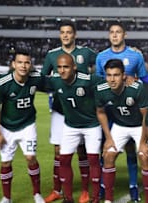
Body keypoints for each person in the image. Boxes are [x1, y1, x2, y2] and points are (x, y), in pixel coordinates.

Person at [95, 21, 148, 202]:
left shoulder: (135, 55)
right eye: (111, 32)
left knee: (136, 152)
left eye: (118, 32)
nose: (115, 35)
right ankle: (103, 189)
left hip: (134, 111)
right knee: (107, 152)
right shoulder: (101, 57)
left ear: (124, 35)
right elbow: (100, 82)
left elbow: (145, 79)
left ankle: (133, 186)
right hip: (112, 111)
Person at [42, 20, 96, 203]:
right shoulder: (51, 55)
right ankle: (57, 190)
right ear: (60, 35)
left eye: (68, 32)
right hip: (60, 109)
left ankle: (84, 191)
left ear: (75, 34)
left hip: (81, 112)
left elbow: (101, 67)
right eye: (62, 32)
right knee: (58, 152)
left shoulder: (86, 53)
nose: (65, 35)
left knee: (81, 151)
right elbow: (43, 79)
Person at [47, 53, 102, 203]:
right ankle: (68, 198)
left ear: (74, 67)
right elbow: (34, 81)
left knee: (93, 160)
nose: (62, 70)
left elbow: (109, 80)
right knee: (64, 160)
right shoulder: (56, 81)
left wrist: (127, 78)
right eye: (59, 67)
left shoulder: (88, 80)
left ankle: (95, 198)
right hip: (70, 126)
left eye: (66, 67)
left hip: (91, 126)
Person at [94, 59, 148, 203]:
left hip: (140, 126)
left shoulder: (137, 88)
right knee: (108, 155)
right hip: (120, 125)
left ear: (124, 75)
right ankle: (108, 199)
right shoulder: (101, 89)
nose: (112, 79)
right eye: (109, 75)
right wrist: (108, 138)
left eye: (116, 75)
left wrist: (143, 141)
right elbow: (100, 112)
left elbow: (146, 116)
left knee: (144, 156)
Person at [0, 50, 45, 203]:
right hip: (6, 127)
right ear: (13, 64)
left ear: (31, 65)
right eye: (20, 62)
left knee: (30, 157)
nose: (23, 65)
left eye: (27, 62)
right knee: (6, 162)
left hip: (27, 125)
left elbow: (53, 83)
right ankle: (6, 197)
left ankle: (37, 194)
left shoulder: (36, 78)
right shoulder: (3, 82)